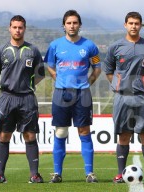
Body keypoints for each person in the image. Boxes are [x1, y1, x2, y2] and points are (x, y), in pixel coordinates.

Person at [44, 10, 101, 183]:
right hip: (61, 93)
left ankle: (89, 173)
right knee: (61, 131)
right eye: (69, 23)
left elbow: (97, 68)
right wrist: (58, 79)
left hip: (82, 94)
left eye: (75, 23)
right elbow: (50, 67)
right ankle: (57, 173)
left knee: (84, 131)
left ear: (80, 25)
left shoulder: (90, 46)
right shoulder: (55, 45)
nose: (72, 26)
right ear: (64, 25)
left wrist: (87, 84)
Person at [104, 11, 144, 184]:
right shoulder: (116, 46)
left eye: (137, 23)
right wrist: (119, 85)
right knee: (123, 136)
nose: (134, 26)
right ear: (125, 25)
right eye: (131, 23)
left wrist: (143, 85)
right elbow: (108, 70)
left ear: (140, 26)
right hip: (122, 97)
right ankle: (121, 174)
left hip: (143, 96)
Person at [0, 15, 45, 183]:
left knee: (30, 136)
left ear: (24, 29)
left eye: (20, 27)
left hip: (27, 98)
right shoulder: (1, 50)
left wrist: (26, 86)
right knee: (4, 135)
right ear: (10, 28)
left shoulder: (33, 50)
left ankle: (34, 175)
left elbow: (40, 74)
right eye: (15, 27)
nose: (17, 30)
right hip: (7, 98)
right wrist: (9, 85)